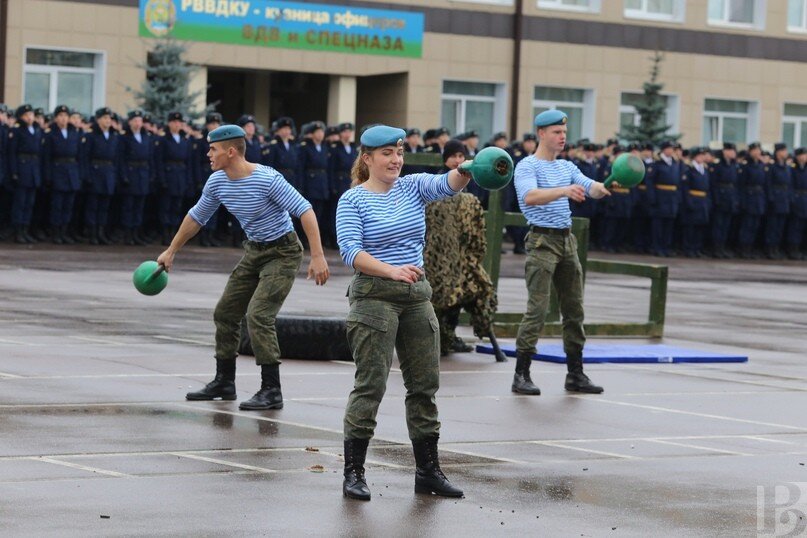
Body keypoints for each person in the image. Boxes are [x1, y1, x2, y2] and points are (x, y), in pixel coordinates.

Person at [336, 125, 469, 501]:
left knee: (424, 386)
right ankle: (354, 473)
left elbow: (448, 183)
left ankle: (428, 471)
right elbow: (350, 251)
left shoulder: (411, 187)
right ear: (367, 158)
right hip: (373, 296)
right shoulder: (354, 200)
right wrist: (390, 269)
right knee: (371, 384)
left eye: (399, 152)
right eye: (387, 154)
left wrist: (470, 167)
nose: (396, 160)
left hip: (415, 297)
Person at [158, 124, 329, 411]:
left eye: (213, 149)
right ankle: (224, 382)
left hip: (283, 251)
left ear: (231, 151)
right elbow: (196, 217)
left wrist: (318, 255)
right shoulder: (217, 182)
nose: (208, 154)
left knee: (259, 315)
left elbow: (305, 209)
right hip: (254, 250)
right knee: (225, 313)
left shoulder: (267, 179)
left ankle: (271, 390)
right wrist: (171, 250)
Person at [512, 110, 610, 396]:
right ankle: (521, 374)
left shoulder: (567, 167)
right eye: (556, 132)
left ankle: (575, 373)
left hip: (567, 242)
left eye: (564, 132)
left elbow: (591, 187)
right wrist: (564, 191)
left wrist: (609, 185)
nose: (563, 136)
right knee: (537, 310)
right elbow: (529, 196)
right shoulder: (527, 166)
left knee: (574, 309)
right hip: (542, 241)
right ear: (541, 134)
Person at [423, 139, 503, 360]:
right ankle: (439, 336)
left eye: (462, 156)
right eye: (454, 156)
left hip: (461, 258)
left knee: (478, 289)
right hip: (435, 259)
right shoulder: (433, 186)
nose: (458, 160)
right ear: (445, 159)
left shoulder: (469, 192)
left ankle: (449, 335)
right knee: (442, 295)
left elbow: (477, 238)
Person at [42, 105, 83, 245]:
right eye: (60, 116)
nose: (63, 119)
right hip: (57, 171)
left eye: (66, 116)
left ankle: (64, 232)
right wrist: (48, 176)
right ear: (56, 118)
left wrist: (79, 175)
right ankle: (56, 233)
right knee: (57, 205)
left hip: (71, 172)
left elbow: (79, 156)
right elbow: (46, 157)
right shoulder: (50, 134)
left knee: (68, 205)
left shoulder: (74, 133)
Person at [118, 109, 154, 246]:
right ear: (130, 122)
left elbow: (151, 158)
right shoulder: (124, 138)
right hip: (131, 173)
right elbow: (121, 159)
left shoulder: (146, 137)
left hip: (143, 174)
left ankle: (136, 233)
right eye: (135, 121)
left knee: (139, 206)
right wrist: (124, 176)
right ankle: (127, 234)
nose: (138, 123)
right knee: (129, 206)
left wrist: (151, 175)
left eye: (140, 121)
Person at [786, 148, 807, 260]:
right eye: (802, 155)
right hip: (798, 199)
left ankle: (803, 249)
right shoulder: (793, 169)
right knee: (796, 227)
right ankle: (793, 249)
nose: (804, 157)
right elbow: (790, 185)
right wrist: (793, 199)